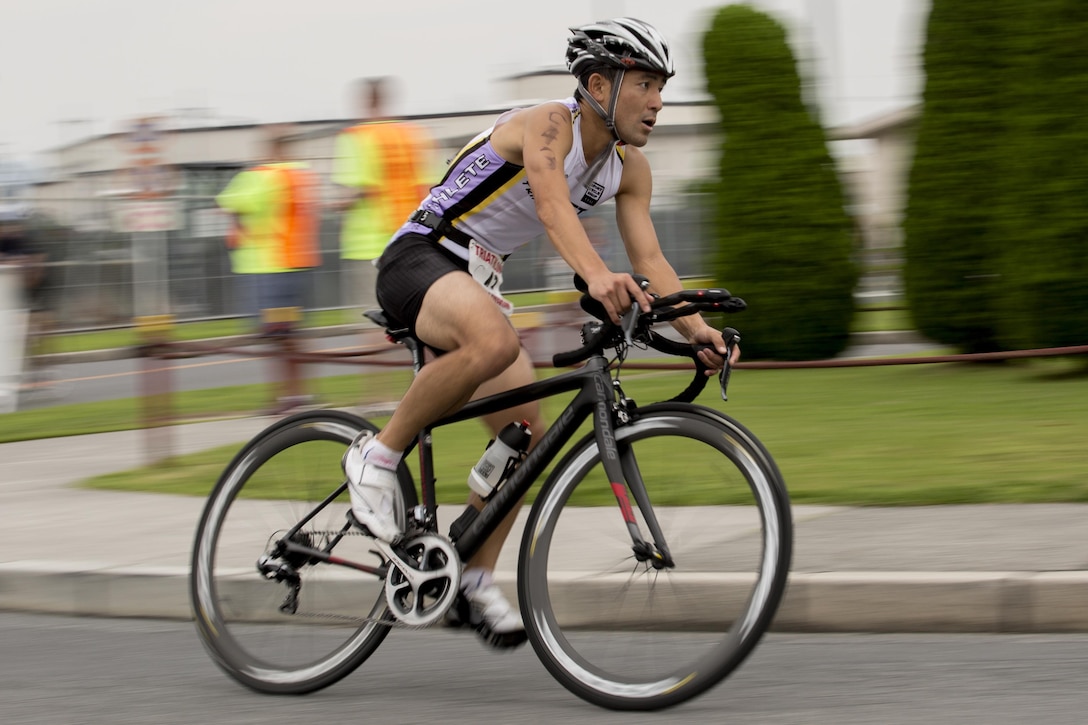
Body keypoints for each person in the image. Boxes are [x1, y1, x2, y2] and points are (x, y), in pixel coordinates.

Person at [343, 18, 736, 648]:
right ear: (598, 85)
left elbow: (653, 262)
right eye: (644, 84)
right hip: (421, 255)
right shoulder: (548, 124)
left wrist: (697, 330)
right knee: (495, 343)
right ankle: (375, 456)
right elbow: (552, 204)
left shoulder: (630, 169)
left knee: (526, 436)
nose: (658, 101)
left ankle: (470, 577)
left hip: (477, 281)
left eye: (662, 86)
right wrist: (598, 276)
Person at [332, 77, 433, 317]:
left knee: (375, 315)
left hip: (368, 245)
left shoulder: (356, 137)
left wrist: (339, 204)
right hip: (412, 240)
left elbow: (357, 190)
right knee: (414, 314)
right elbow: (430, 187)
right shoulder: (414, 136)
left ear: (367, 100)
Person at [216, 128, 322, 328]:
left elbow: (228, 203)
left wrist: (237, 221)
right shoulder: (304, 176)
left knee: (272, 331)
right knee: (291, 328)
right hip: (301, 263)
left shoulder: (261, 176)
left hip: (264, 267)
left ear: (272, 149)